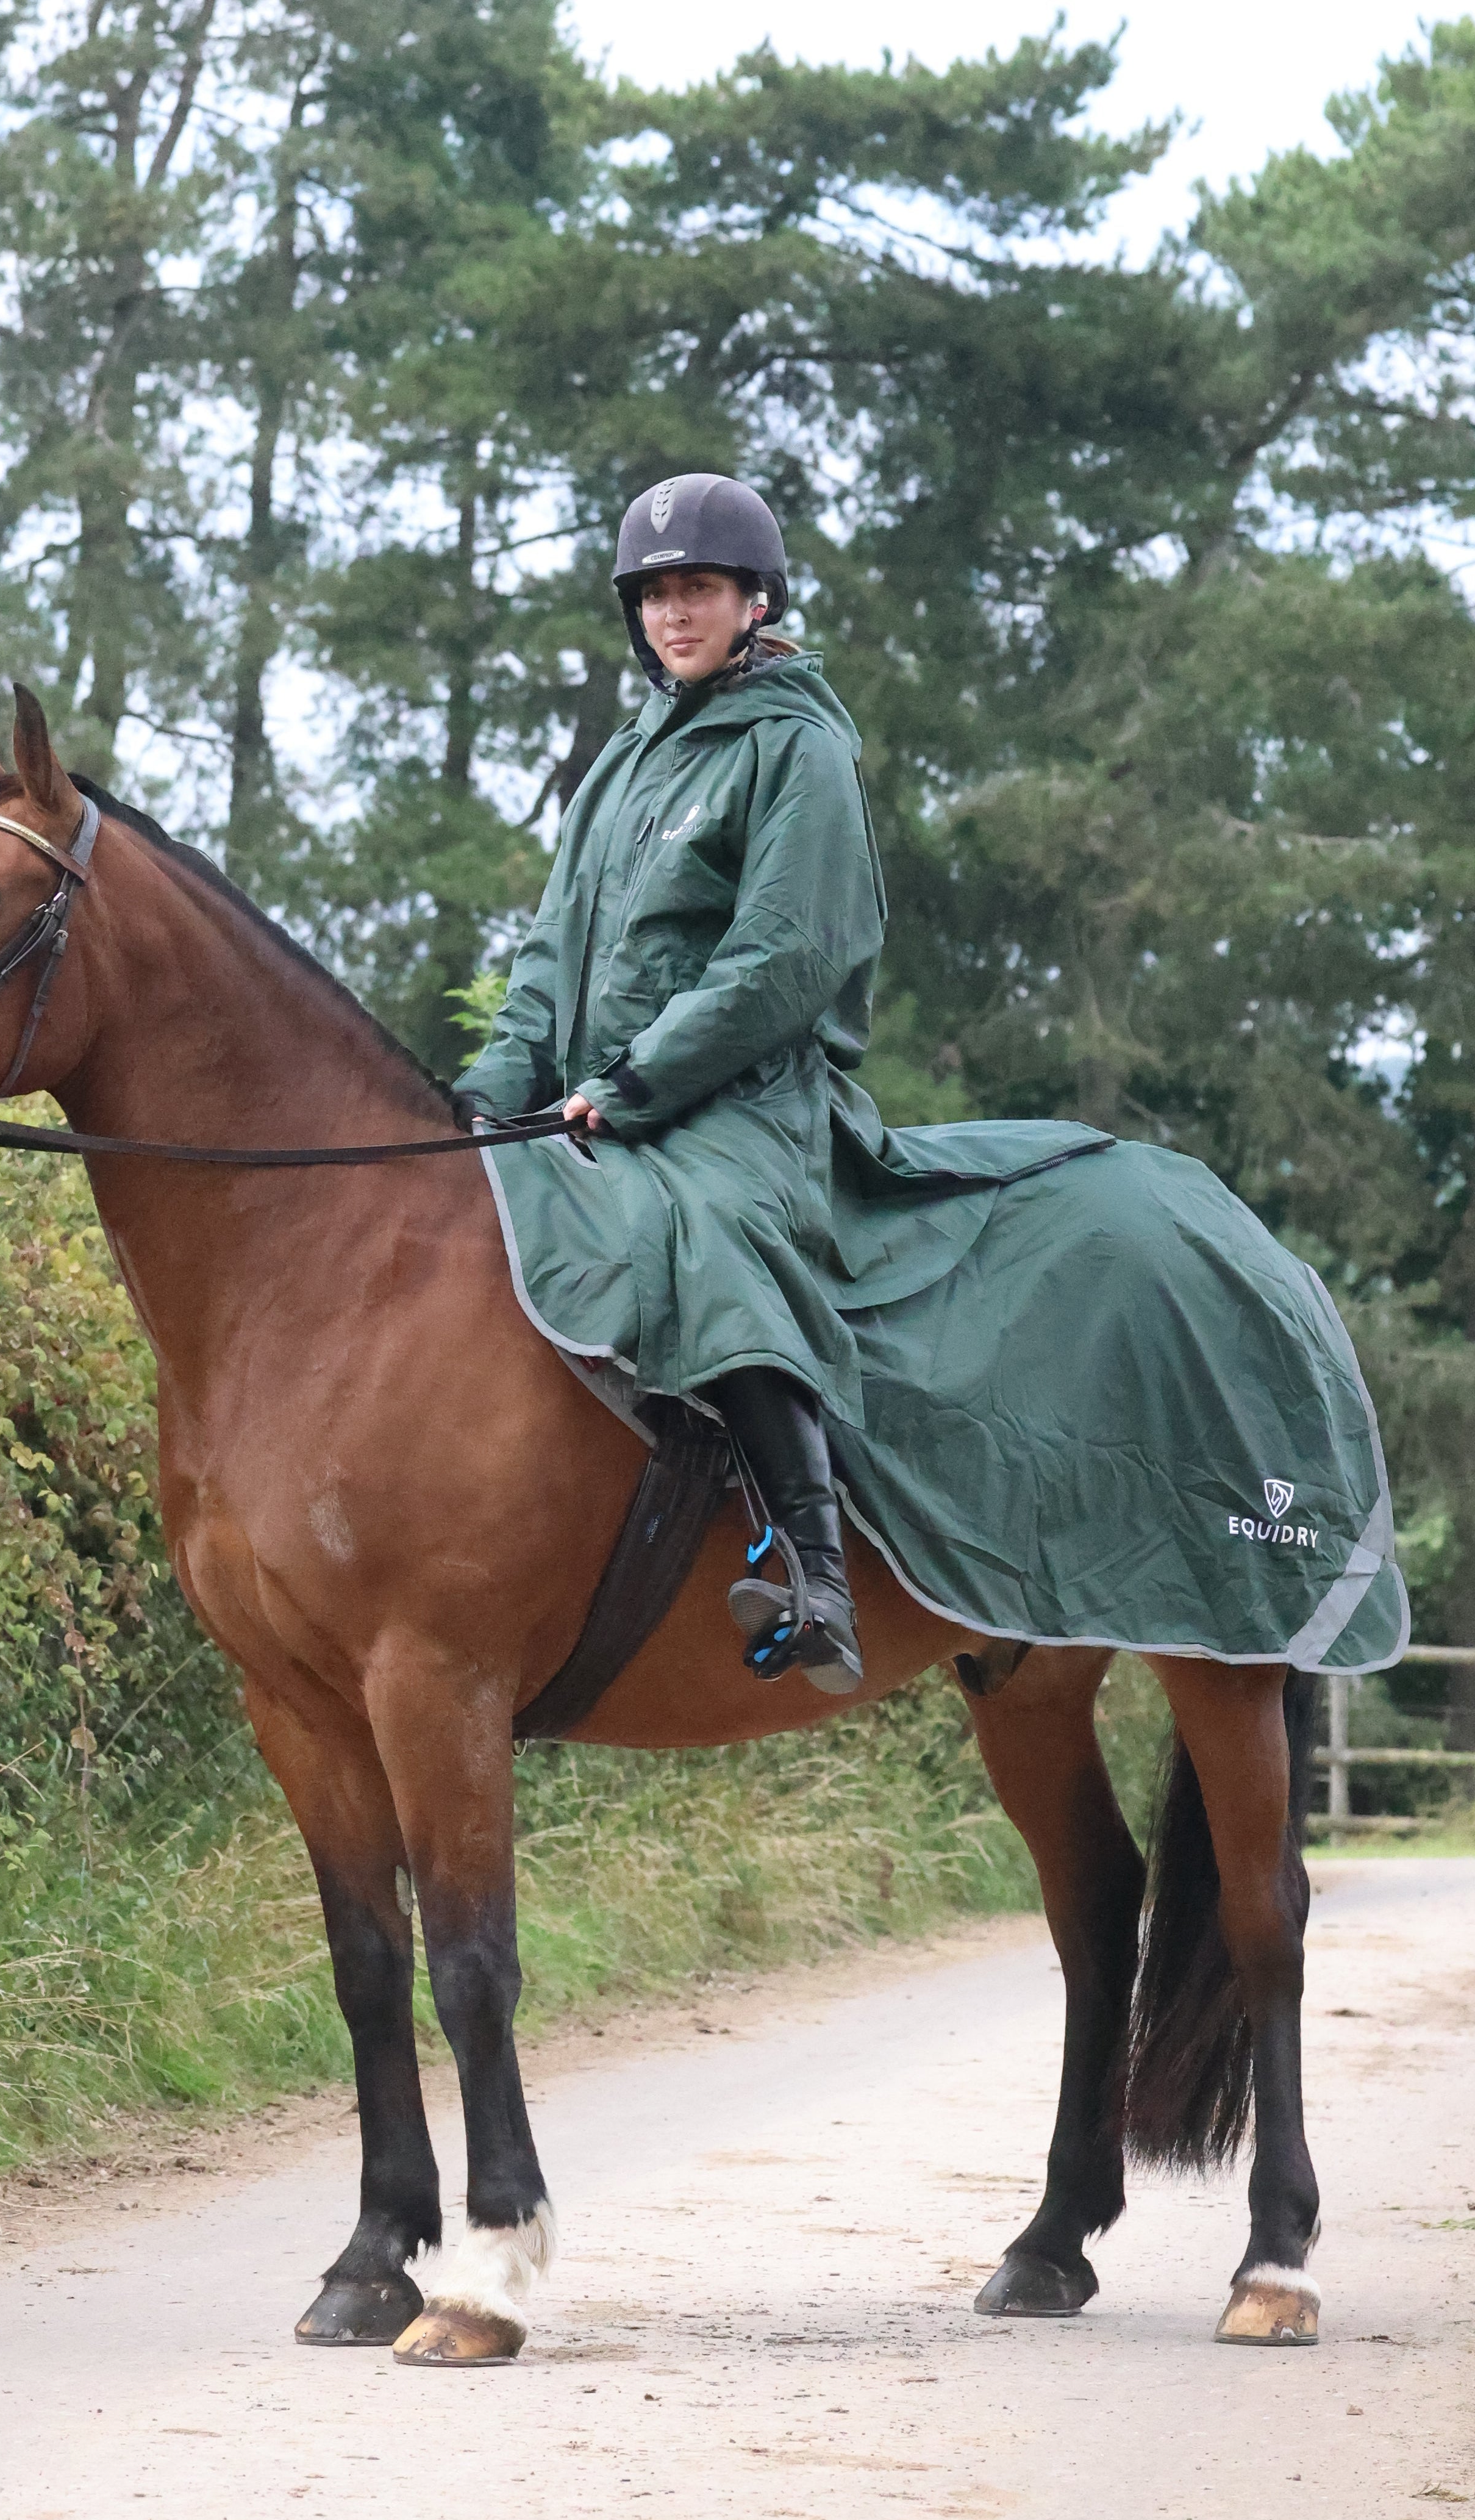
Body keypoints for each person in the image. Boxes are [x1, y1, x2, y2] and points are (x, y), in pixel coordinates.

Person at [454, 473, 886, 1696]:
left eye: (696, 588)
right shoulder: (625, 762)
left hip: (739, 1106)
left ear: (755, 600)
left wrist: (636, 1085)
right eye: (652, 594)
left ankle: (815, 1573)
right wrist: (492, 1083)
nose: (671, 613)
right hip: (597, 1095)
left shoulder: (800, 748)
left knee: (712, 1238)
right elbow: (551, 951)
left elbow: (782, 959)